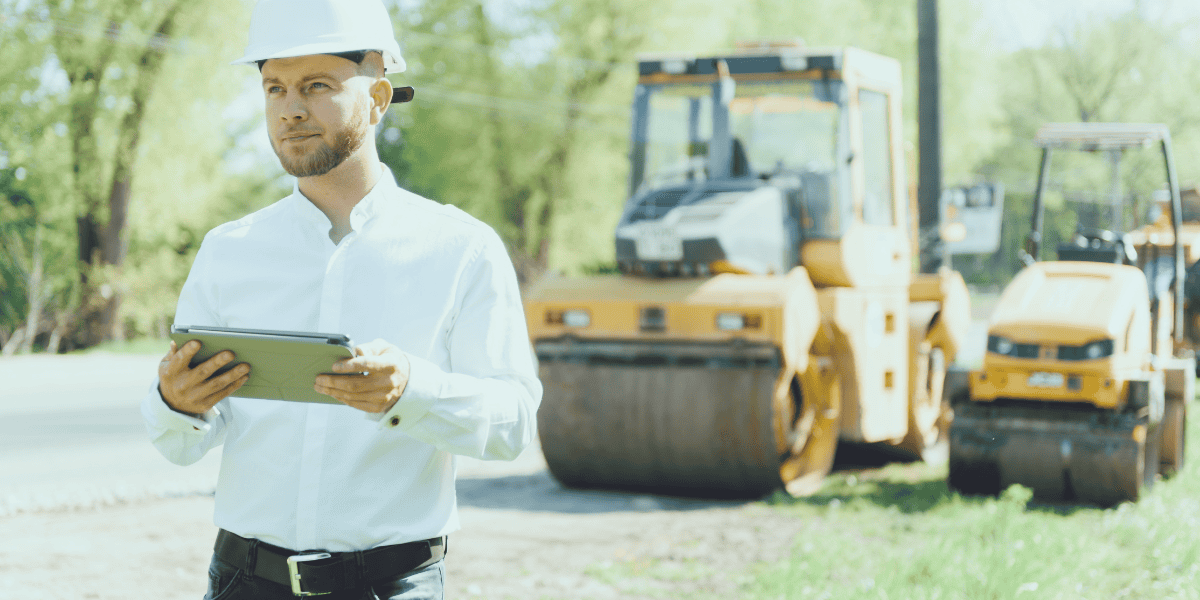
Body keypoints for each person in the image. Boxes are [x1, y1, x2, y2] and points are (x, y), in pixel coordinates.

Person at [139, 0, 542, 598]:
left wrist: (412, 389)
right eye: (274, 88)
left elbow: (513, 425)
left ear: (378, 100)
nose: (291, 108)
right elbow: (179, 444)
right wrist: (175, 403)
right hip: (244, 583)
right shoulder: (228, 250)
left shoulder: (463, 249)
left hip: (393, 585)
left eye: (317, 85)